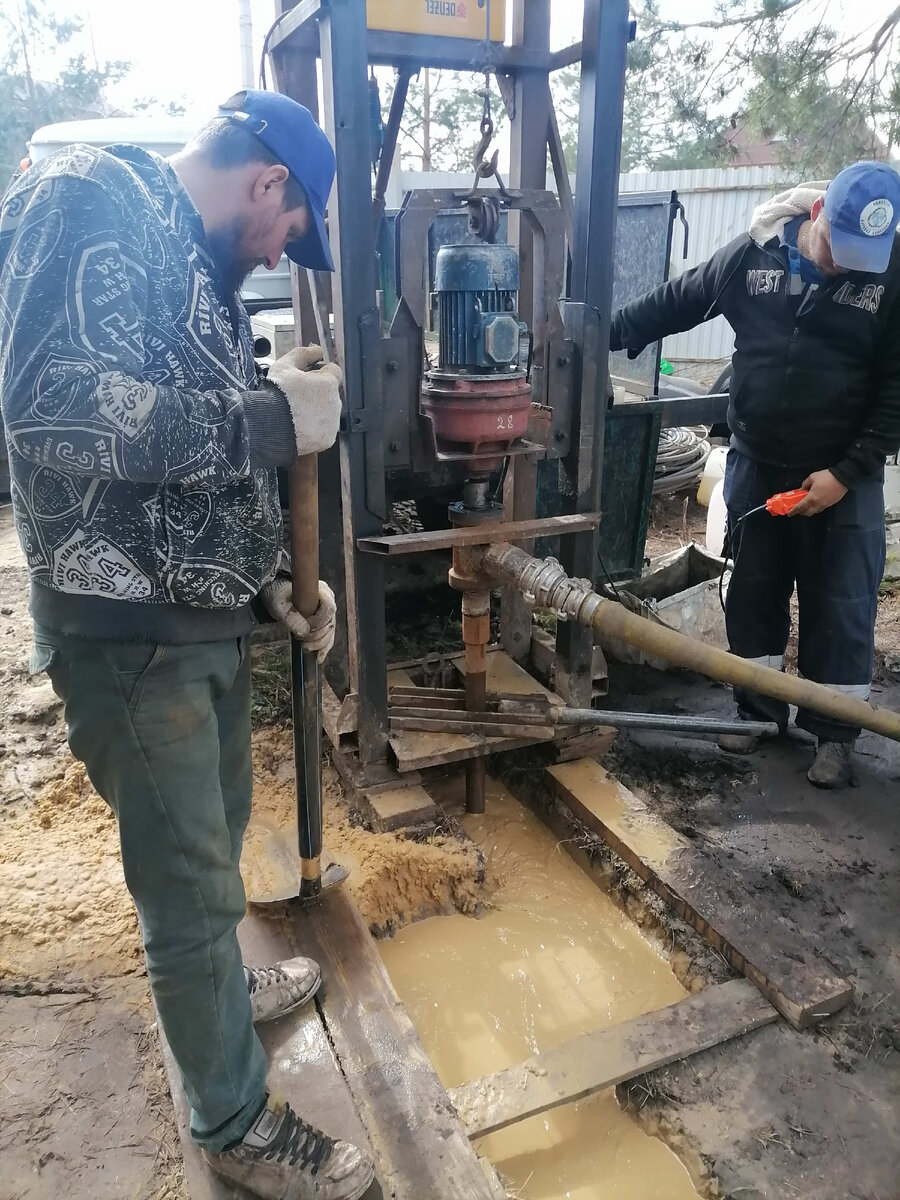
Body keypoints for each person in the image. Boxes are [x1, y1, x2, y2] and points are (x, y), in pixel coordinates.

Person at [0, 89, 376, 1200]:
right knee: (183, 878)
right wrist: (272, 423)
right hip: (126, 641)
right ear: (267, 184)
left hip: (193, 629)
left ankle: (221, 990)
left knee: (216, 838)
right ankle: (235, 1121)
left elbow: (187, 479)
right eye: (289, 227)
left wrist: (269, 588)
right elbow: (45, 404)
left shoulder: (201, 279)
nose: (279, 247)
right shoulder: (88, 196)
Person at [610, 161, 900, 789]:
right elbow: (683, 297)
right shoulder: (754, 256)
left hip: (843, 478)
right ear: (817, 214)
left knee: (841, 603)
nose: (844, 266)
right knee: (754, 590)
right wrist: (603, 333)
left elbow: (896, 391)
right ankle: (757, 711)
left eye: (861, 259)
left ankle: (834, 732)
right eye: (837, 251)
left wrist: (848, 473)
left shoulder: (890, 273)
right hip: (759, 462)